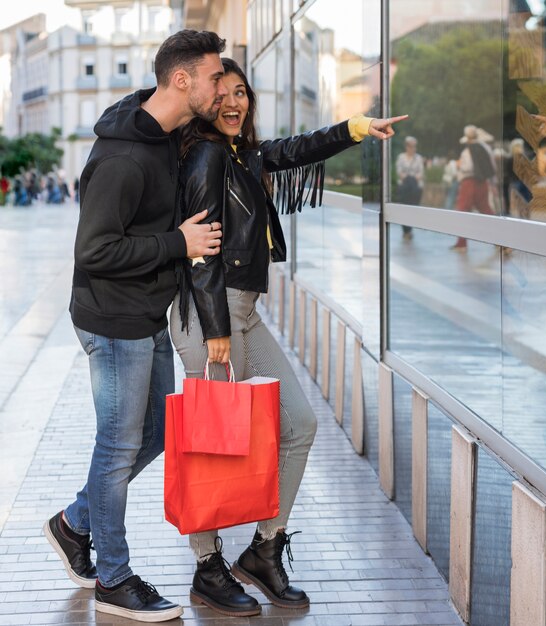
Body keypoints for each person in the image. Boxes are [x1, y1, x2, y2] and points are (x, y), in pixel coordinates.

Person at [170, 57, 406, 617]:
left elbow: (297, 150)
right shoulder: (204, 153)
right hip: (211, 313)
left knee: (298, 424)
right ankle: (207, 567)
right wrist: (217, 330)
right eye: (222, 93)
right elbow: (200, 245)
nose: (234, 102)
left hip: (241, 310)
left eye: (242, 93)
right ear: (204, 100)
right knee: (208, 440)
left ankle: (264, 549)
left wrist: (355, 128)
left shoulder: (241, 153)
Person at [43, 29, 227, 623]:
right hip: (113, 317)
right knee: (118, 445)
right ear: (182, 80)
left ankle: (75, 523)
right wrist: (179, 242)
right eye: (213, 76)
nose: (220, 86)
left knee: (155, 434)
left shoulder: (164, 138)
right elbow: (94, 250)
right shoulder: (123, 156)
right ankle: (113, 580)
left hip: (147, 313)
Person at [451, 124, 497, 250]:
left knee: (462, 212)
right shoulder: (485, 148)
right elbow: (492, 167)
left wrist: (458, 166)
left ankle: (461, 243)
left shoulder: (467, 151)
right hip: (483, 183)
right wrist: (493, 184)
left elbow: (467, 167)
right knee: (487, 211)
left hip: (468, 183)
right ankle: (501, 241)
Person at [395, 135, 424, 240]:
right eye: (411, 146)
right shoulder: (401, 157)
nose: (413, 148)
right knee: (403, 208)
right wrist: (407, 179)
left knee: (413, 208)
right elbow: (399, 172)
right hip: (404, 187)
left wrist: (412, 179)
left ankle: (409, 230)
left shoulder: (419, 158)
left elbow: (421, 173)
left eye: (414, 146)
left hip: (415, 187)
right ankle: (405, 230)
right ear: (406, 147)